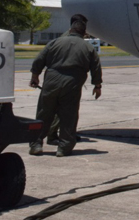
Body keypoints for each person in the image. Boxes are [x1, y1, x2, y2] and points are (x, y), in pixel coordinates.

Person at [29, 14, 102, 157]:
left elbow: (39, 59)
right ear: (83, 33)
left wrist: (35, 76)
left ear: (70, 30)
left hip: (52, 81)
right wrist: (97, 86)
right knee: (69, 116)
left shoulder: (55, 42)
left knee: (44, 113)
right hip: (72, 83)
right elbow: (96, 68)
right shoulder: (88, 47)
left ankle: (36, 145)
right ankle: (63, 148)